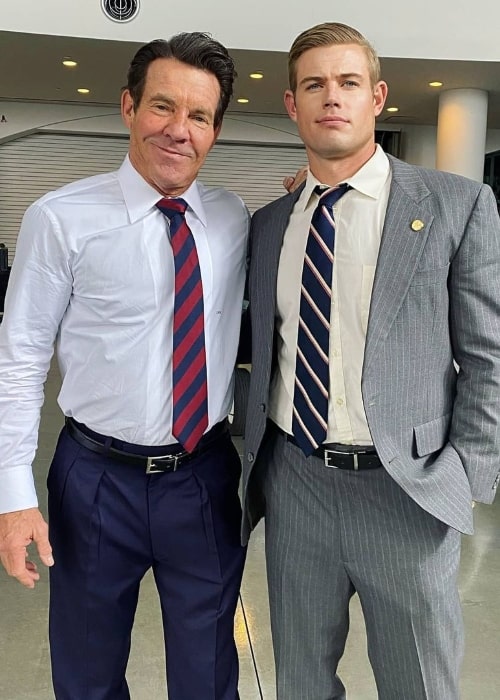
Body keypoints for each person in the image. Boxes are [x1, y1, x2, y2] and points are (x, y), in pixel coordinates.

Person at [241, 21, 500, 700]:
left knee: (419, 684)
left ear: (377, 96)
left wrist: (460, 479)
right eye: (314, 85)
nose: (333, 97)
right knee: (300, 681)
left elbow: (489, 356)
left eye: (348, 82)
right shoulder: (270, 224)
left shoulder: (455, 205)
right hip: (296, 485)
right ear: (292, 104)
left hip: (405, 491)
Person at [0, 33, 250, 700]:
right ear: (128, 107)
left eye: (199, 116)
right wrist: (13, 493)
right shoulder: (59, 219)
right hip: (95, 481)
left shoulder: (233, 218)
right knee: (86, 671)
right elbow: (19, 355)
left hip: (201, 476)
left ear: (215, 131)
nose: (178, 129)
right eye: (162, 106)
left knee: (207, 672)